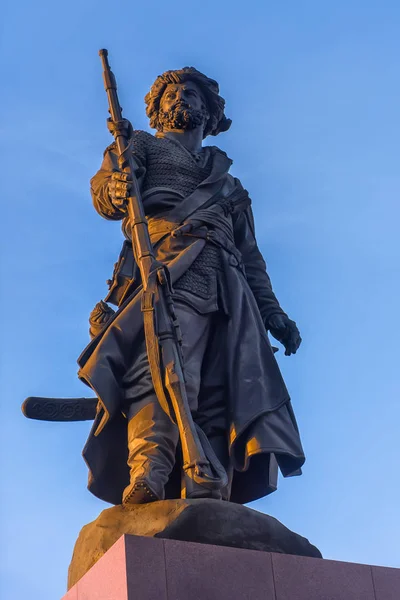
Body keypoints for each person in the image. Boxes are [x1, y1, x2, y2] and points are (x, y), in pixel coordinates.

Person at [78, 67, 305, 506]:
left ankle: (209, 483)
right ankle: (149, 468)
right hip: (166, 270)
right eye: (171, 94)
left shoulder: (228, 183)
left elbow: (252, 257)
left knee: (223, 389)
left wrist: (273, 312)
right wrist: (119, 187)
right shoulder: (138, 146)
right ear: (157, 111)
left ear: (210, 111)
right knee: (159, 372)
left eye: (192, 93)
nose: (181, 98)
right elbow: (105, 192)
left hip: (228, 289)